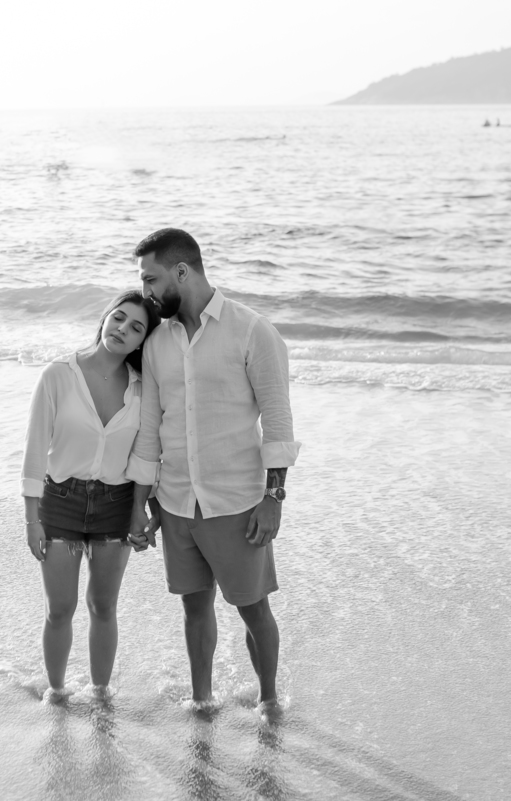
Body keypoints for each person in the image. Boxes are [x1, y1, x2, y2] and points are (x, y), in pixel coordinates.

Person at [125, 228, 301, 711]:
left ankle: (269, 701)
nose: (146, 293)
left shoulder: (252, 330)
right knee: (194, 609)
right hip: (177, 501)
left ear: (182, 271)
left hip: (236, 502)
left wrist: (274, 498)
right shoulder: (158, 342)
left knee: (253, 609)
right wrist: (141, 504)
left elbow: (278, 422)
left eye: (151, 279)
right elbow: (149, 429)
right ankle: (202, 703)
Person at [21, 290, 161, 698]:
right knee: (60, 609)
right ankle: (58, 693)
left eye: (136, 327)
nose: (122, 329)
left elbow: (146, 456)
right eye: (118, 318)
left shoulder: (143, 390)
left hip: (115, 508)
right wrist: (32, 520)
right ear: (104, 318)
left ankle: (101, 695)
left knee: (103, 607)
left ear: (142, 342)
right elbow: (33, 452)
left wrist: (140, 509)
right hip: (59, 503)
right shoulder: (58, 375)